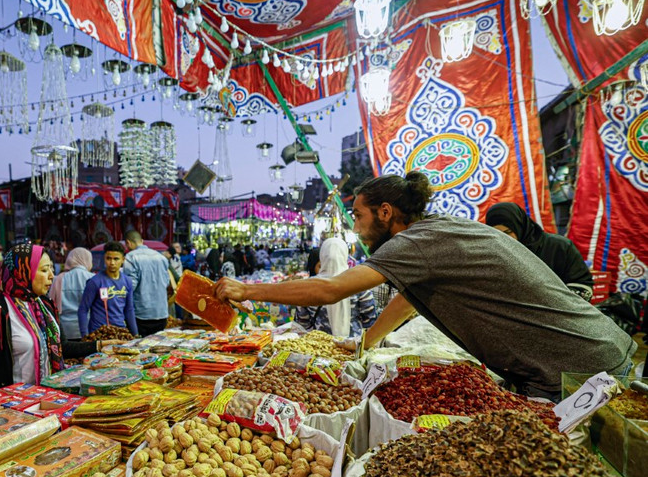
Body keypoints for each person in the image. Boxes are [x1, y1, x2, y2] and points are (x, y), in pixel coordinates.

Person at [215, 172, 638, 401]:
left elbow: (330, 290)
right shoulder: (437, 232)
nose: (358, 231)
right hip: (589, 352)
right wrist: (368, 340)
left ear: (385, 212)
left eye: (359, 218)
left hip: (579, 367)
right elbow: (407, 298)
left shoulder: (415, 241)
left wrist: (245, 291)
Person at [0, 244, 115, 398]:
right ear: (23, 272)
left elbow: (62, 347)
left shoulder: (45, 306)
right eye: (44, 270)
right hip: (12, 405)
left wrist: (100, 345)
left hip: (48, 399)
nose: (51, 275)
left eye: (51, 268)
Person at [486, 202, 595, 301]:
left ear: (520, 227)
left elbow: (583, 286)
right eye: (496, 233)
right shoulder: (494, 253)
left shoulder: (559, 247)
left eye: (508, 232)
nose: (503, 238)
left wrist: (550, 301)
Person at [294, 238, 378, 338]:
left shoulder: (308, 287)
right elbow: (370, 322)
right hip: (352, 346)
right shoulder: (359, 286)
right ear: (345, 256)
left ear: (322, 256)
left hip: (319, 347)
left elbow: (302, 325)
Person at [78, 242, 138, 337]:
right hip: (99, 333)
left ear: (123, 260)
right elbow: (83, 309)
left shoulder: (127, 281)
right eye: (108, 258)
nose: (112, 263)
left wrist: (135, 334)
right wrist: (85, 336)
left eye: (116, 259)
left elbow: (129, 310)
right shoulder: (95, 282)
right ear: (104, 259)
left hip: (120, 332)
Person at [123, 230, 170, 336]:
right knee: (159, 349)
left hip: (142, 314)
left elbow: (130, 286)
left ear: (128, 243)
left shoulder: (131, 257)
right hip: (161, 312)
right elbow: (166, 282)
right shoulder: (161, 257)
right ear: (142, 241)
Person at [48, 247, 94, 340]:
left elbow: (51, 303)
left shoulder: (57, 279)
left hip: (65, 330)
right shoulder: (94, 278)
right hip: (88, 328)